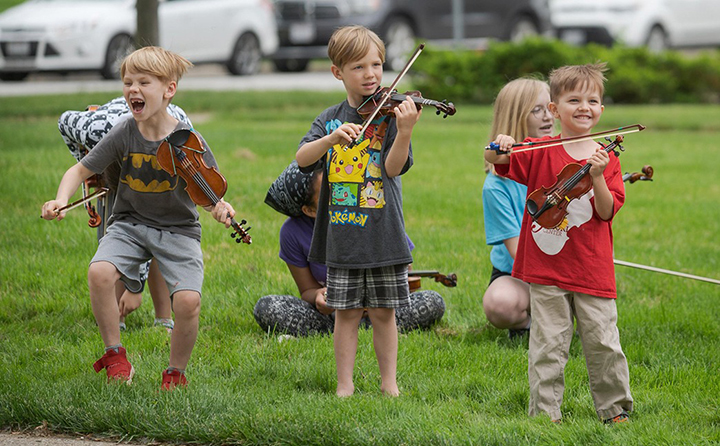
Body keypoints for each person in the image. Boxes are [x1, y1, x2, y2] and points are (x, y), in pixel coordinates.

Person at [41, 46, 238, 389]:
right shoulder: (124, 132)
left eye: (143, 82)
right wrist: (60, 199)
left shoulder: (188, 141)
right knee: (99, 272)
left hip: (177, 229)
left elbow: (208, 194)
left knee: (189, 302)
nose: (133, 89)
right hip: (130, 224)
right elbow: (79, 170)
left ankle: (175, 373)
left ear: (168, 90)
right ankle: (115, 356)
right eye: (127, 82)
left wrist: (219, 208)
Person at [484, 63, 633, 423]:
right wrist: (500, 146)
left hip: (592, 268)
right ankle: (545, 413)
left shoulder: (607, 158)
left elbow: (605, 210)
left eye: (592, 100)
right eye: (574, 99)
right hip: (546, 268)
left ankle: (614, 409)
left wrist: (597, 175)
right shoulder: (539, 150)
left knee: (603, 343)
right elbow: (496, 160)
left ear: (601, 110)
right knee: (548, 345)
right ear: (554, 109)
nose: (584, 106)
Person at [295, 25, 421, 397]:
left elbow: (394, 168)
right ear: (338, 72)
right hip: (343, 234)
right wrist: (331, 138)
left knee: (384, 313)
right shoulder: (330, 118)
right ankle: (344, 385)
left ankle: (389, 384)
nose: (371, 74)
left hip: (384, 233)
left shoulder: (392, 114)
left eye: (377, 65)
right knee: (346, 314)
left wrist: (407, 131)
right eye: (359, 67)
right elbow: (303, 159)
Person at [255, 161, 445, 337]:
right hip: (332, 314)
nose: (339, 192)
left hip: (378, 309)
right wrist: (319, 297)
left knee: (432, 301)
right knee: (267, 307)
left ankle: (364, 328)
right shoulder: (292, 233)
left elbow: (406, 277)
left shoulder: (370, 208)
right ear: (310, 210)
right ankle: (351, 330)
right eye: (328, 191)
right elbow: (307, 291)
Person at [58, 97, 192, 333]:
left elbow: (150, 229)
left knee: (163, 234)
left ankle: (163, 318)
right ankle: (115, 315)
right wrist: (88, 166)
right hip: (113, 149)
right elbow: (64, 122)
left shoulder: (180, 132)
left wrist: (136, 288)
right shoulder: (95, 131)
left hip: (162, 165)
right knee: (115, 240)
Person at [482, 78, 555, 339]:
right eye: (537, 110)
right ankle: (529, 326)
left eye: (550, 107)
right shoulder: (496, 187)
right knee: (499, 304)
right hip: (518, 272)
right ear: (516, 118)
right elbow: (518, 253)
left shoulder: (561, 163)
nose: (548, 116)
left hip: (561, 266)